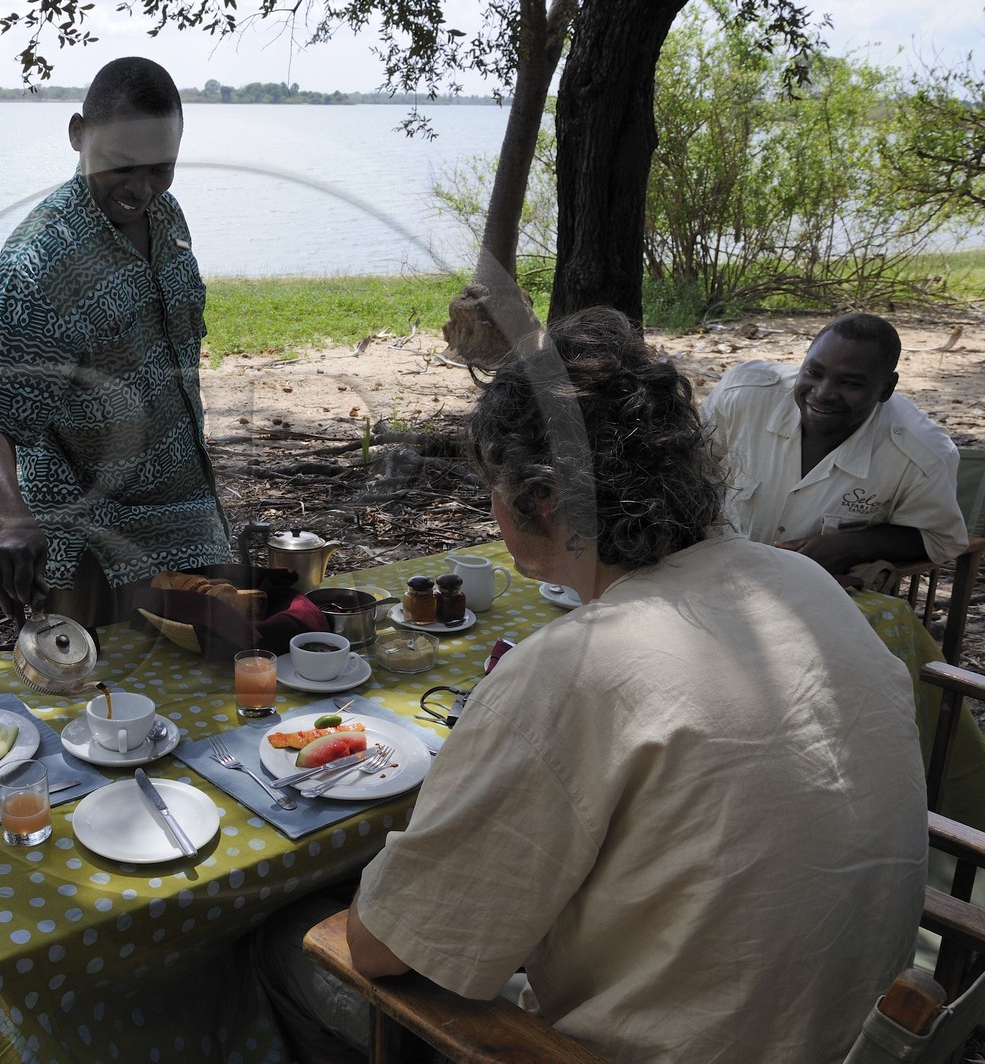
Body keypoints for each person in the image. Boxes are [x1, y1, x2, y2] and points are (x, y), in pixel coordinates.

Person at [258, 307, 928, 1063]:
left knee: (287, 944)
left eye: (493, 489)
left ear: (541, 505)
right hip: (859, 1035)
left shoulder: (573, 669)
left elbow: (382, 948)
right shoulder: (803, 583)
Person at [0, 56, 232, 631]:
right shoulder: (42, 261)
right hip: (91, 539)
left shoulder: (168, 215)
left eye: (161, 169)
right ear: (78, 134)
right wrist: (9, 519)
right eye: (119, 166)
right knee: (109, 703)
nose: (140, 189)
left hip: (186, 513)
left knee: (216, 687)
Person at [702, 312, 969, 578]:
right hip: (714, 573)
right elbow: (684, 473)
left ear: (887, 388)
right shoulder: (741, 397)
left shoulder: (923, 454)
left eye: (849, 383)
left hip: (827, 596)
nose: (822, 393)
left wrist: (856, 545)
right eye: (814, 372)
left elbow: (941, 538)